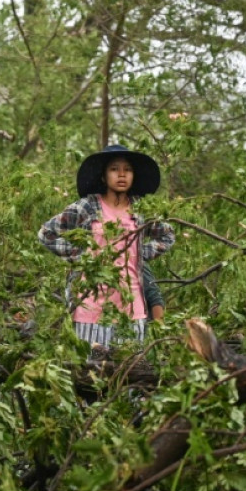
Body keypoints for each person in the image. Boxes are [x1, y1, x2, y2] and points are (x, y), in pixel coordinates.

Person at [39, 145, 174, 349]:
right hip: (90, 307)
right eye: (114, 169)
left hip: (132, 307)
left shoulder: (140, 209)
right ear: (103, 176)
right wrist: (80, 255)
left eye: (127, 169)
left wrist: (140, 253)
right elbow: (46, 233)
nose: (121, 174)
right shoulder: (87, 206)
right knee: (92, 371)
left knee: (129, 371)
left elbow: (167, 234)